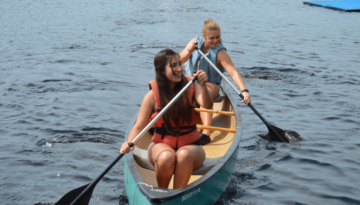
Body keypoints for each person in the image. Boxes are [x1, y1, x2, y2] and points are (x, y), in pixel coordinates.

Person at [120, 49, 213, 189]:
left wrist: (204, 86)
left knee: (183, 155)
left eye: (180, 64)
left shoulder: (192, 85)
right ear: (161, 70)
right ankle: (162, 194)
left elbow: (207, 104)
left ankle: (176, 196)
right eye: (173, 66)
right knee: (166, 157)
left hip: (192, 147)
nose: (179, 69)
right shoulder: (151, 96)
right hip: (160, 146)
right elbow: (139, 126)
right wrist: (128, 143)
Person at [180, 19, 251, 145]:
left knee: (203, 93)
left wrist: (244, 91)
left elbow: (233, 72)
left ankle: (206, 133)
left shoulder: (220, 52)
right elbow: (179, 60)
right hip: (190, 82)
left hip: (211, 84)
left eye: (217, 37)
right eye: (211, 38)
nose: (215, 40)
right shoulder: (195, 42)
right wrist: (189, 51)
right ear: (204, 37)